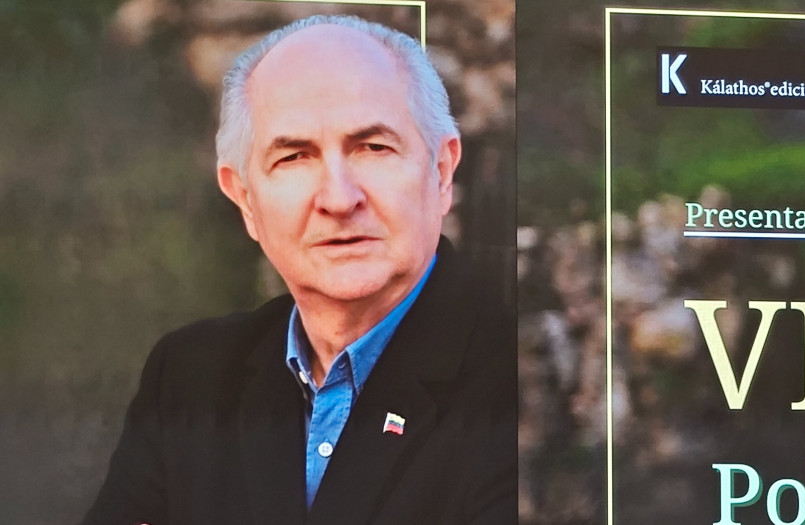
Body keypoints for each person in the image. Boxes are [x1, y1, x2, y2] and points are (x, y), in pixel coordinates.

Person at [82, 15, 515, 525]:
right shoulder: (188, 380)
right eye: (293, 157)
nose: (338, 198)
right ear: (244, 199)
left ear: (441, 172)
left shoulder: (519, 380)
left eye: (373, 147)